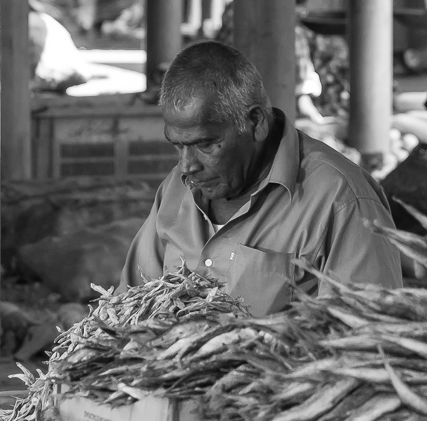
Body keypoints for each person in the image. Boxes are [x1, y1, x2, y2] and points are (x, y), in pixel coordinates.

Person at [118, 41, 402, 317]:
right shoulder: (176, 188)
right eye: (178, 145)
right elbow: (126, 306)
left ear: (255, 123)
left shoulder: (343, 201)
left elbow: (367, 343)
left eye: (205, 144)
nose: (187, 165)